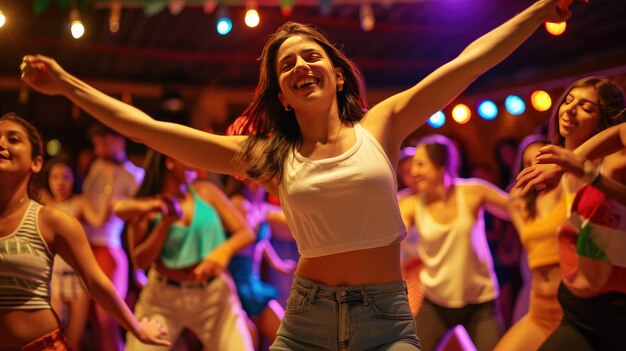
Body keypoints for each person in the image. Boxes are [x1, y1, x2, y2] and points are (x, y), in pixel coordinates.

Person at [19, 1, 577, 348]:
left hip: (386, 322)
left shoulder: (382, 125)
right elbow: (147, 129)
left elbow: (467, 63)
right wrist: (69, 85)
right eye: (285, 66)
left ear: (335, 73)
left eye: (308, 57)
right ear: (282, 96)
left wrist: (537, 10)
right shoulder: (267, 156)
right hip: (307, 320)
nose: (298, 66)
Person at [0, 113, 170, 350]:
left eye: (13, 139)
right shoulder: (97, 169)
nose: (2, 144)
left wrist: (138, 327)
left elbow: (104, 226)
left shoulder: (61, 216)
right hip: (76, 260)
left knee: (102, 322)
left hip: (105, 249)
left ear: (36, 163)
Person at [513, 77, 626, 350]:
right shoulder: (561, 173)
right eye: (569, 100)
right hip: (576, 308)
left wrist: (579, 165)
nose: (570, 109)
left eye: (586, 106)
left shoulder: (615, 163)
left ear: (603, 120)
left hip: (616, 311)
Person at [113, 149, 256, 351]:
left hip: (214, 295)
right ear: (169, 160)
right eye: (188, 157)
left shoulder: (206, 192)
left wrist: (222, 251)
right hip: (164, 298)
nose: (194, 165)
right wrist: (164, 224)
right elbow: (141, 262)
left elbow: (246, 232)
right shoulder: (150, 206)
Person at [399, 135, 508, 351]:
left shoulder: (472, 192)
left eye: (420, 164)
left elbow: (518, 210)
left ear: (441, 166)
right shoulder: (411, 205)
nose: (414, 172)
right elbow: (389, 240)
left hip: (480, 304)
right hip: (435, 303)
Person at [494, 134, 565, 351]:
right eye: (527, 164)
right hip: (538, 306)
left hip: (570, 308)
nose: (534, 168)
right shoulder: (521, 205)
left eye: (541, 160)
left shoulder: (569, 191)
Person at [82, 123, 145, 351]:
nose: (99, 148)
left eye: (105, 142)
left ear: (120, 141)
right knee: (91, 320)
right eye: (97, 143)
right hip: (87, 246)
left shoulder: (135, 176)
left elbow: (136, 226)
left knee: (107, 318)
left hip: (110, 248)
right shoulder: (97, 165)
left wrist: (138, 266)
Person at [46, 156, 110, 351]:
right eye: (55, 177)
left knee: (74, 341)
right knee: (53, 340)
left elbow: (98, 221)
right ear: (48, 179)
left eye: (66, 176)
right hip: (53, 278)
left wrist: (109, 187)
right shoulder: (42, 202)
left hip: (77, 277)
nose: (60, 182)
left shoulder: (80, 202)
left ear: (74, 179)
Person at [225, 178, 296, 349]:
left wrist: (276, 262)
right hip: (237, 282)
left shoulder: (258, 206)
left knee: (281, 336)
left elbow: (260, 242)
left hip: (251, 282)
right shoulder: (239, 204)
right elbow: (242, 241)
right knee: (275, 337)